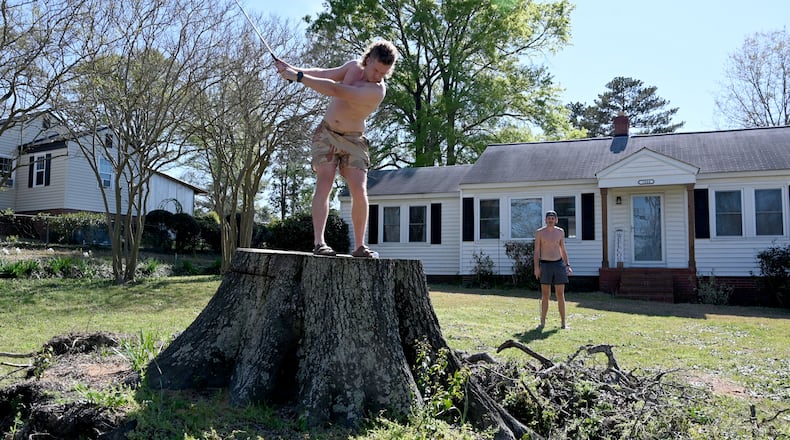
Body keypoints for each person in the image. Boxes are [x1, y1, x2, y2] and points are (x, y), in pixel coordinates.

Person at [274, 41, 397, 258]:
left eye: (384, 73)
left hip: (354, 140)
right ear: (367, 60)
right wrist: (292, 69)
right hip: (327, 134)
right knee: (325, 182)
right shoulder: (352, 67)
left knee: (359, 189)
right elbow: (325, 74)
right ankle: (319, 243)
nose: (379, 76)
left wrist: (298, 77)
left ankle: (359, 247)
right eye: (376, 70)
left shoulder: (376, 91)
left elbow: (334, 89)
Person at [533, 210, 572, 329]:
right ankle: (543, 322)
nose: (550, 220)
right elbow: (537, 251)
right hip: (545, 264)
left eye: (552, 218)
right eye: (548, 218)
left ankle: (563, 323)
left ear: (556, 220)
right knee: (546, 295)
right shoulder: (540, 232)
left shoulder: (560, 232)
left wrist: (567, 265)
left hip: (558, 264)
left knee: (560, 294)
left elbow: (562, 249)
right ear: (545, 220)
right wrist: (536, 267)